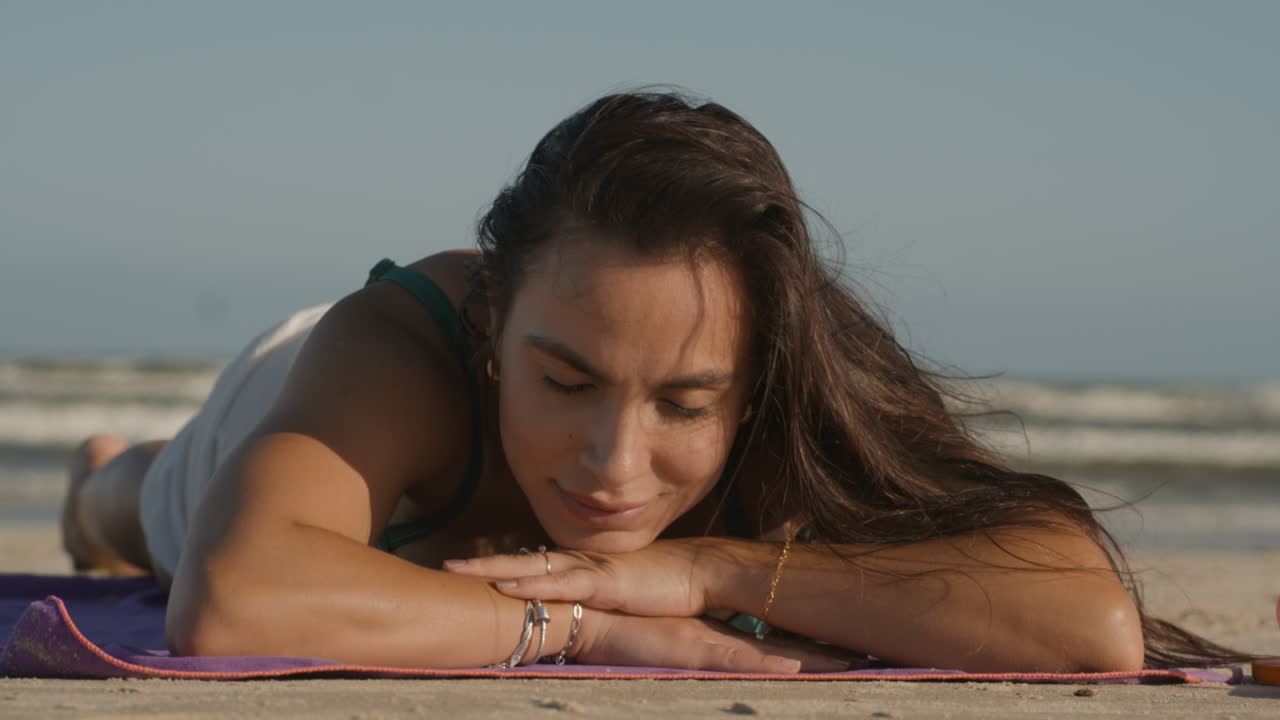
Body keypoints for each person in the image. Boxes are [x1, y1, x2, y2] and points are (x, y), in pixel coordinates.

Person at [61, 90, 1240, 673]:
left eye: (684, 404)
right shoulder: (406, 346)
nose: (611, 468)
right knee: (148, 510)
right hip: (289, 397)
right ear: (493, 326)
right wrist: (589, 625)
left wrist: (701, 569)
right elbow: (235, 596)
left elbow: (1086, 621)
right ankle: (98, 479)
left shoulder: (775, 358)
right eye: (564, 380)